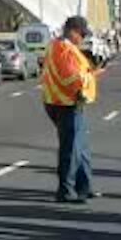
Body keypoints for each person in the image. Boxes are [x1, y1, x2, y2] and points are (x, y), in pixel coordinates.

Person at [41, 16, 102, 204]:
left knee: (81, 147)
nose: (82, 39)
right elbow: (71, 78)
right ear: (73, 31)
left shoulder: (57, 46)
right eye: (82, 35)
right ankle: (65, 190)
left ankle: (85, 186)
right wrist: (91, 76)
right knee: (71, 149)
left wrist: (90, 72)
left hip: (62, 101)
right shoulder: (63, 48)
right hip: (66, 103)